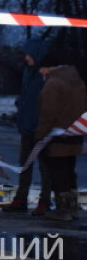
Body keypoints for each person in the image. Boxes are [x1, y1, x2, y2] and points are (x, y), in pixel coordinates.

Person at [4, 38, 52, 214]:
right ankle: (20, 199)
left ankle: (44, 202)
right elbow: (26, 96)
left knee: (45, 166)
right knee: (24, 165)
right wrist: (20, 105)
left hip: (42, 128)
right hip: (27, 127)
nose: (26, 58)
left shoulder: (46, 73)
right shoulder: (28, 72)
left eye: (28, 54)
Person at [35, 62, 86, 222]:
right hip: (74, 133)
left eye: (42, 67)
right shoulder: (77, 81)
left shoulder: (53, 83)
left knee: (57, 173)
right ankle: (71, 208)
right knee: (69, 172)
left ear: (50, 67)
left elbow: (48, 113)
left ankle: (62, 210)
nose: (40, 71)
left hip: (55, 137)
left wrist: (40, 136)